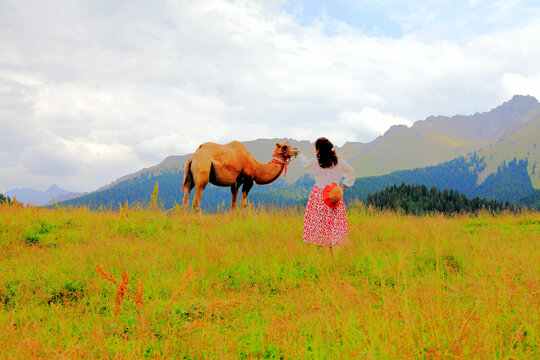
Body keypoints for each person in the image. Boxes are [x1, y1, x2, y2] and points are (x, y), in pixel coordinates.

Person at [297, 137, 357, 247]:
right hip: (334, 195)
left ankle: (320, 247)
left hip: (319, 196)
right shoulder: (339, 162)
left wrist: (299, 153)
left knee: (318, 223)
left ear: (318, 149)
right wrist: (342, 187)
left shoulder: (316, 162)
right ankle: (331, 248)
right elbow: (353, 173)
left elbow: (304, 163)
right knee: (333, 223)